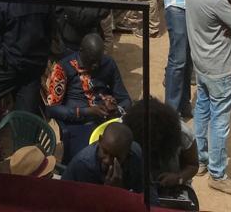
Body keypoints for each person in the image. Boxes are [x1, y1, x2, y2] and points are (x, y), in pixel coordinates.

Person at [185, 0, 231, 196]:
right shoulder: (215, 0)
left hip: (202, 64)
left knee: (202, 111)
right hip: (221, 68)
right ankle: (217, 175)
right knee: (220, 122)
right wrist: (228, 24)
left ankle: (200, 161)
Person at [46, 32, 131, 162]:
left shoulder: (108, 63)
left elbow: (125, 99)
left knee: (126, 150)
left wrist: (115, 108)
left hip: (106, 122)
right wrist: (87, 111)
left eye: (98, 61)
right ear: (81, 51)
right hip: (79, 124)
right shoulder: (63, 68)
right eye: (91, 61)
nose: (96, 66)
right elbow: (52, 108)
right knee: (88, 160)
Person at [124, 98, 200, 210]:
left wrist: (178, 178)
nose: (152, 148)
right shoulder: (125, 132)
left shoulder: (182, 134)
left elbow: (193, 165)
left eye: (155, 143)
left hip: (174, 188)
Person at [62, 121, 144, 193]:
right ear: (100, 140)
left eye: (116, 157)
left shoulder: (135, 155)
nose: (107, 161)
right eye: (105, 152)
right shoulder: (84, 165)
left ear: (128, 155)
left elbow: (143, 188)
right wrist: (112, 191)